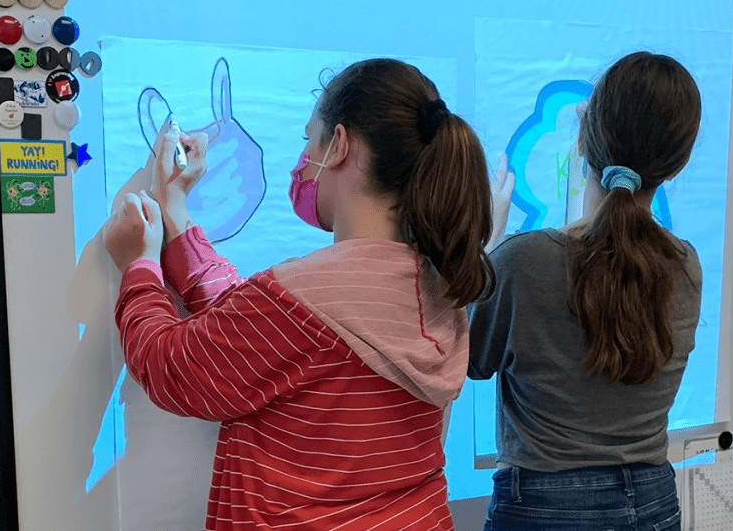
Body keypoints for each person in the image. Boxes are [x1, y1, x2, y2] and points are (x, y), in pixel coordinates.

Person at [103, 58, 494, 531]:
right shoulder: (436, 287)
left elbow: (170, 364)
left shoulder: (297, 301)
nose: (303, 159)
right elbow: (251, 330)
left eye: (309, 139)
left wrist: (139, 265)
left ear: (340, 145)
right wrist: (175, 214)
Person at [468, 51, 703, 531]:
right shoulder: (685, 266)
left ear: (580, 140)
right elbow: (608, 254)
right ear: (676, 167)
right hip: (654, 504)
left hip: (542, 507)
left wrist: (486, 252)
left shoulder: (521, 260)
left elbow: (468, 360)